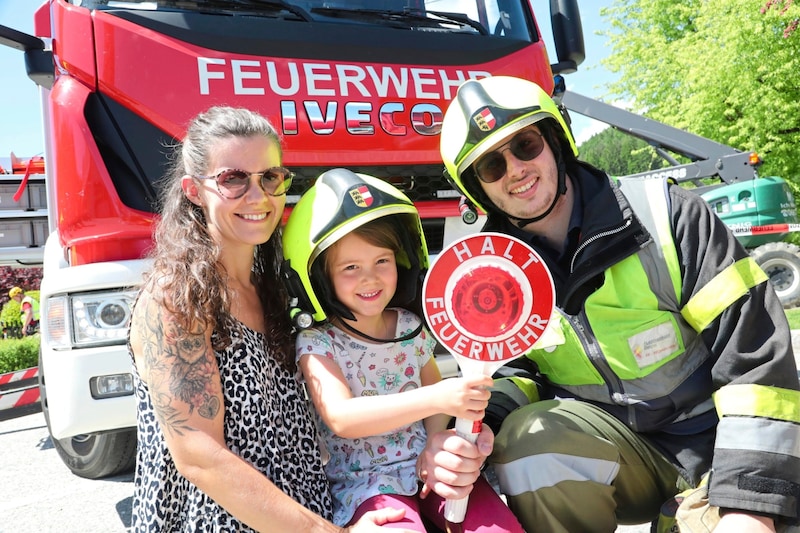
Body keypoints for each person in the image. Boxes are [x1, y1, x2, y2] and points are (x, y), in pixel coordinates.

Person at [438, 76, 800, 533]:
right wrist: (479, 430)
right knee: (530, 441)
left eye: (525, 145)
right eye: (490, 165)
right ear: (478, 188)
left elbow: (754, 356)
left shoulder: (667, 216)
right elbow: (517, 373)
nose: (514, 170)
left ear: (554, 142)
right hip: (620, 457)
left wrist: (749, 504)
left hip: (718, 445)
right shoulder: (494, 275)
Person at [128, 106, 480, 532]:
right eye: (233, 179)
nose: (256, 196)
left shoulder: (274, 289)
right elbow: (199, 456)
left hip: (310, 512)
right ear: (194, 190)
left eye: (270, 177)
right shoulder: (177, 299)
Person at [282, 168, 524, 532]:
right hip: (368, 484)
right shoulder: (318, 341)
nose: (370, 277)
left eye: (382, 260)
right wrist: (440, 397)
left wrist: (437, 442)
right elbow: (342, 418)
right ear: (320, 278)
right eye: (350, 267)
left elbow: (436, 415)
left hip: (431, 466)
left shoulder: (410, 328)